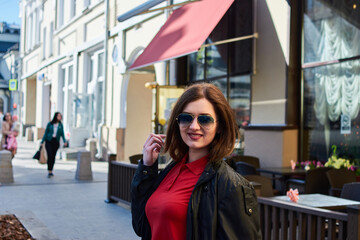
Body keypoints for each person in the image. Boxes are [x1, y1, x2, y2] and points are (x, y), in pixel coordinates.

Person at [131, 83, 261, 240]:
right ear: (178, 122)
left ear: (219, 126)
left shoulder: (231, 185)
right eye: (186, 118)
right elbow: (141, 226)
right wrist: (147, 167)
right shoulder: (171, 170)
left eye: (205, 119)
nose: (194, 126)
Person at [41, 112, 68, 178]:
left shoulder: (60, 125)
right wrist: (42, 141)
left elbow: (62, 134)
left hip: (56, 142)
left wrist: (65, 141)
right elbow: (46, 133)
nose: (59, 117)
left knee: (53, 156)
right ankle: (49, 170)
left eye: (60, 116)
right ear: (55, 116)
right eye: (58, 116)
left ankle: (51, 170)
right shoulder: (50, 124)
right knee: (50, 155)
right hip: (49, 141)